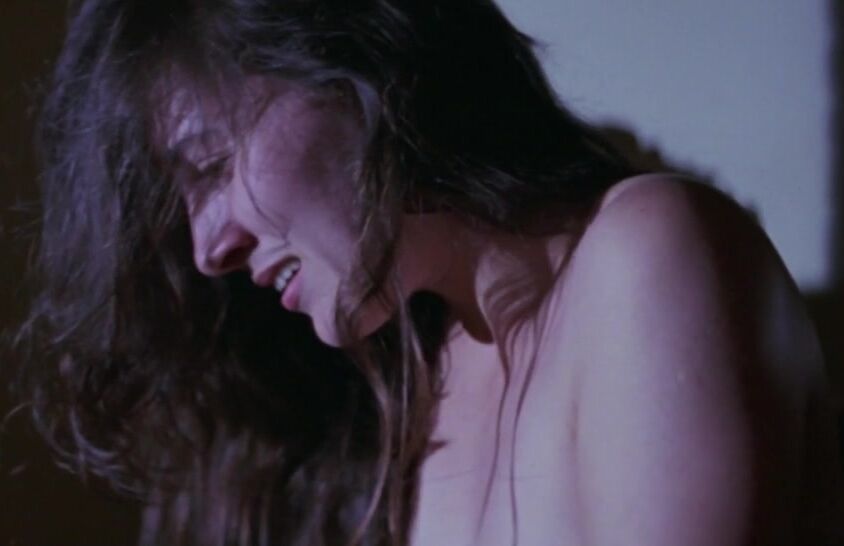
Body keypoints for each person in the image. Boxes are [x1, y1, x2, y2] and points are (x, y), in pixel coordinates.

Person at [11, 0, 844, 545]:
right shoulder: (408, 384)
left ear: (352, 53)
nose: (206, 250)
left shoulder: (645, 254)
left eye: (212, 163)